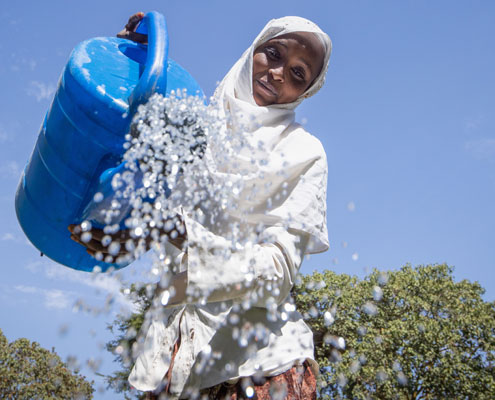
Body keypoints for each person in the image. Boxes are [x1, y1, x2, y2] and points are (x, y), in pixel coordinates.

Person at [71, 12, 332, 399]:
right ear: (252, 52)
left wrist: (173, 230)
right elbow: (138, 175)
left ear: (305, 92)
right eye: (273, 54)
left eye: (297, 74)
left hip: (258, 368)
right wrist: (133, 64)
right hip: (171, 363)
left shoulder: (302, 152)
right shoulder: (198, 128)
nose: (278, 73)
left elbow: (277, 274)